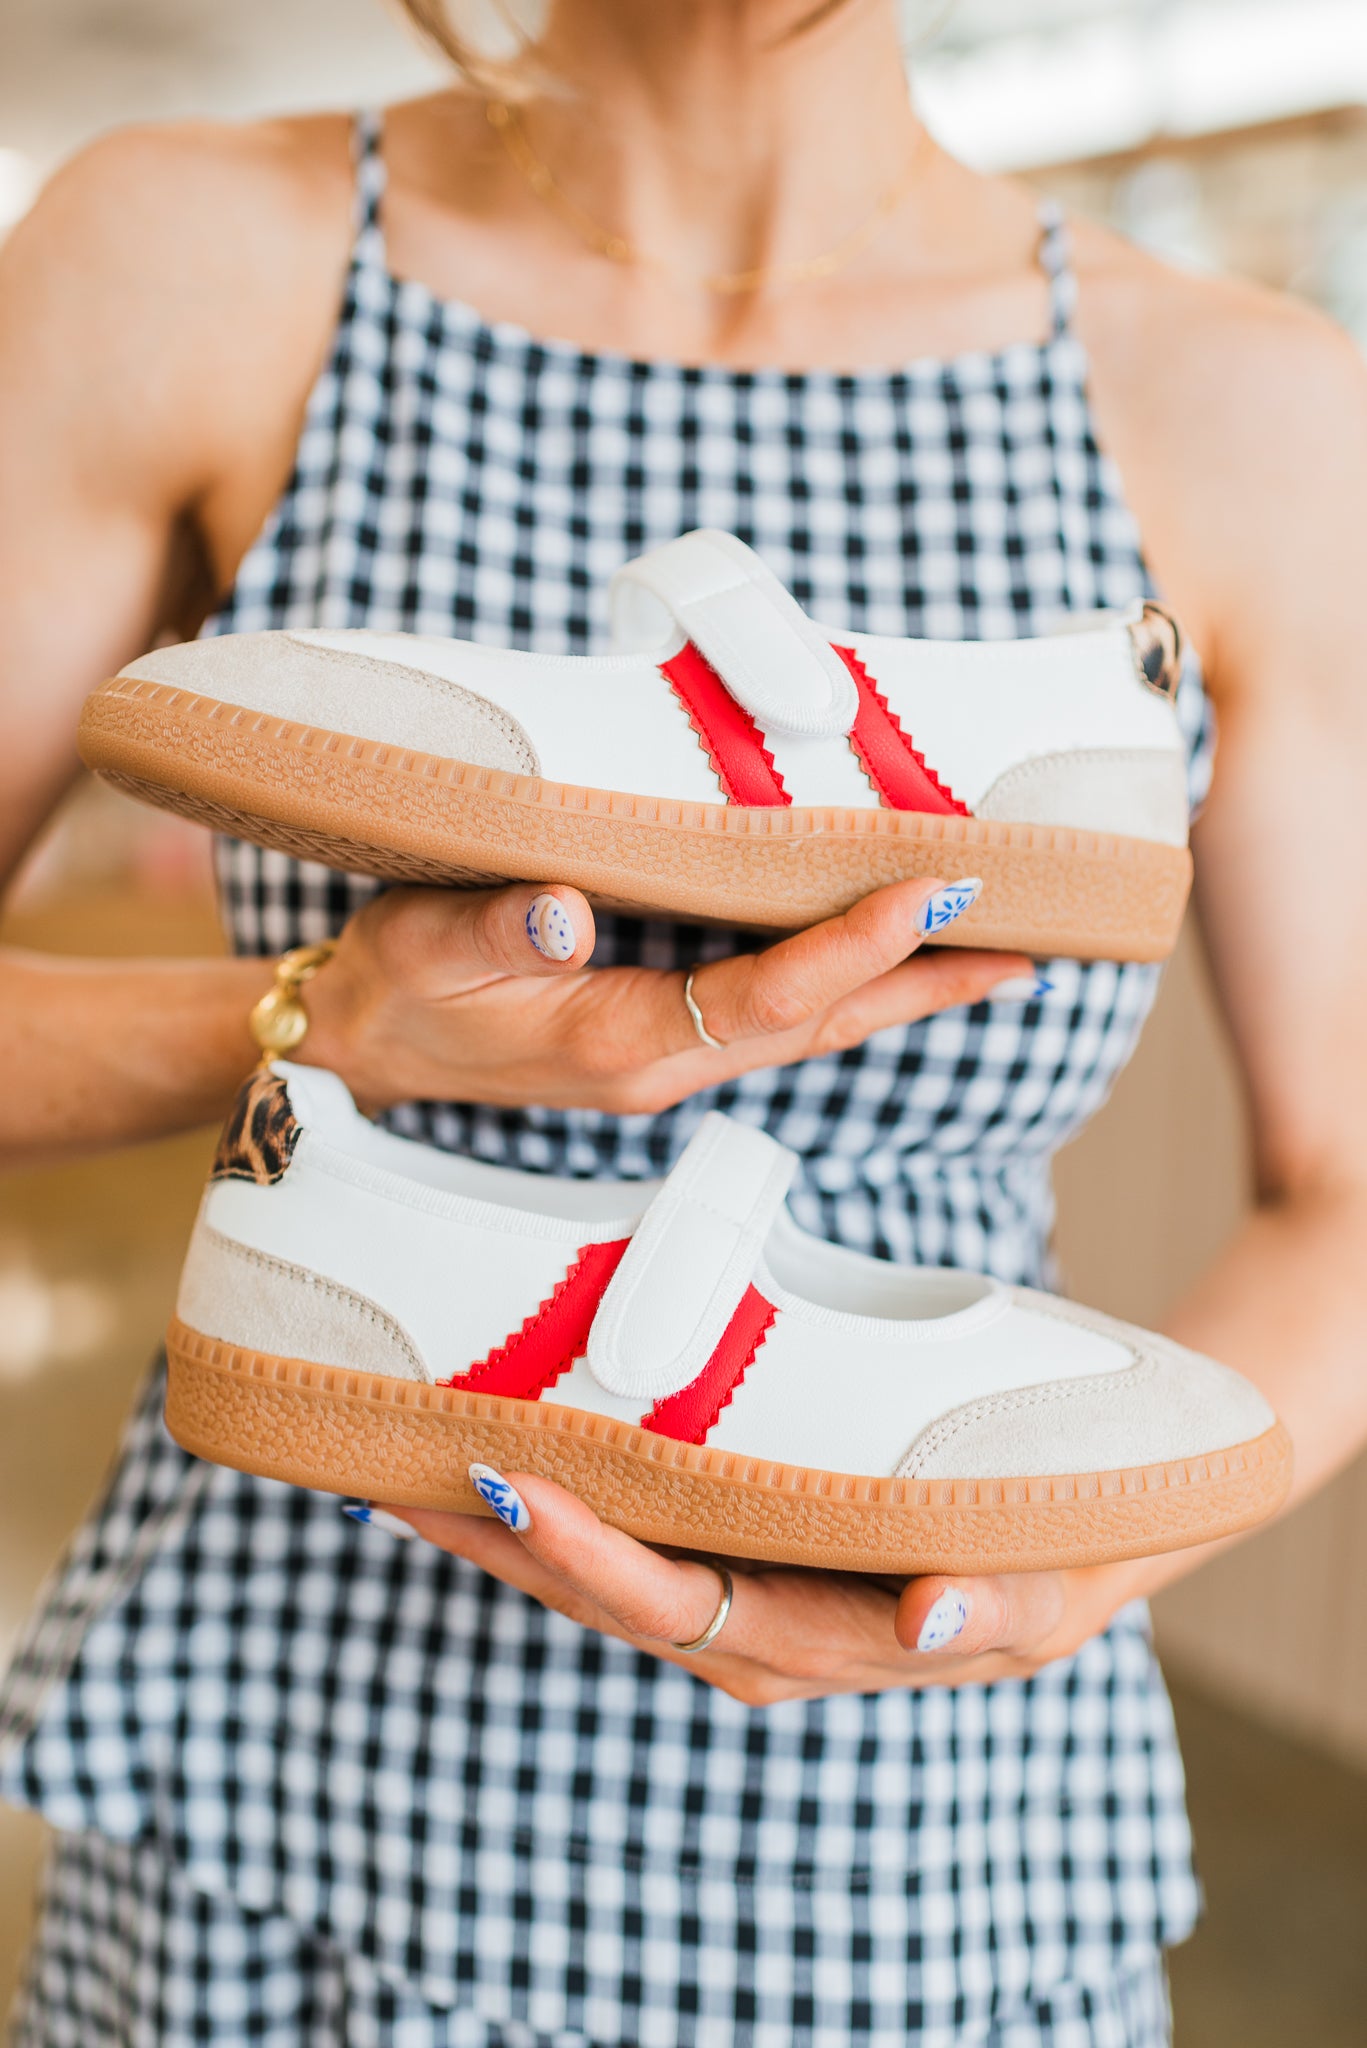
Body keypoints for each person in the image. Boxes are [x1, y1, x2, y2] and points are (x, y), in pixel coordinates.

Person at [2, 1, 1366, 2041]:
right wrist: (314, 1021)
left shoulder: (1249, 405)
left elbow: (1352, 1183)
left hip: (924, 1829)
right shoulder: (195, 250)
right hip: (296, 1762)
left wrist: (1060, 1566)